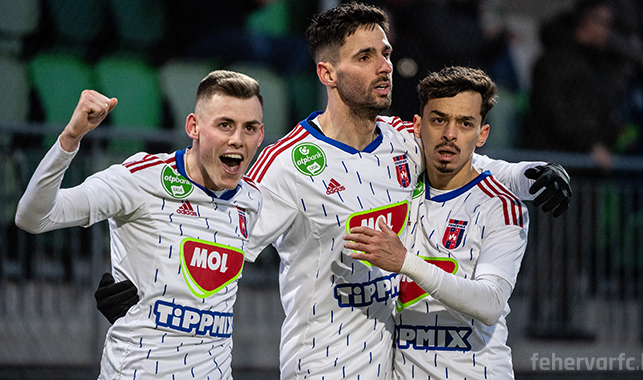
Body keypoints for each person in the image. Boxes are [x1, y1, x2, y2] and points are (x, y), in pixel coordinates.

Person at [95, 2, 572, 378]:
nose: (384, 66)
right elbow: (216, 232)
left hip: (392, 367)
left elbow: (474, 160)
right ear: (328, 74)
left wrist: (531, 175)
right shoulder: (287, 165)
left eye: (385, 52)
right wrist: (134, 281)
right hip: (320, 367)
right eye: (365, 57)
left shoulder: (405, 141)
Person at [15, 70, 265, 379]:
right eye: (225, 125)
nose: (237, 139)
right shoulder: (140, 178)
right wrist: (70, 138)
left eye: (249, 128)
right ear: (194, 127)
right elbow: (33, 217)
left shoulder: (251, 200)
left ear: (261, 135)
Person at [345, 66, 525, 379]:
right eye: (439, 119)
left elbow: (490, 303)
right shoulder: (398, 190)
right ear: (417, 125)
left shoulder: (501, 207)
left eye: (465, 123)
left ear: (482, 134)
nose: (450, 134)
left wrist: (406, 263)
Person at [525, 0, 634, 170]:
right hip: (556, 167)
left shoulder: (597, 64)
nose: (608, 32)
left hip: (582, 167)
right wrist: (590, 145)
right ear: (587, 23)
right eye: (604, 24)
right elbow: (556, 112)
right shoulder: (555, 61)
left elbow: (599, 110)